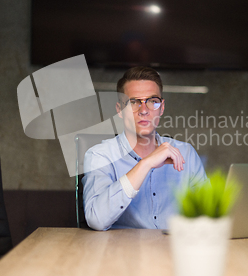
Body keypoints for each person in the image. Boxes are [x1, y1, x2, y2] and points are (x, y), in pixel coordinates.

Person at [82, 66, 207, 230]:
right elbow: (96, 220)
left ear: (161, 108)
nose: (144, 110)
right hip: (121, 251)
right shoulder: (100, 155)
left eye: (152, 102)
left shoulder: (186, 153)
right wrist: (145, 164)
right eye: (133, 102)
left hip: (175, 250)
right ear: (120, 110)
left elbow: (209, 217)